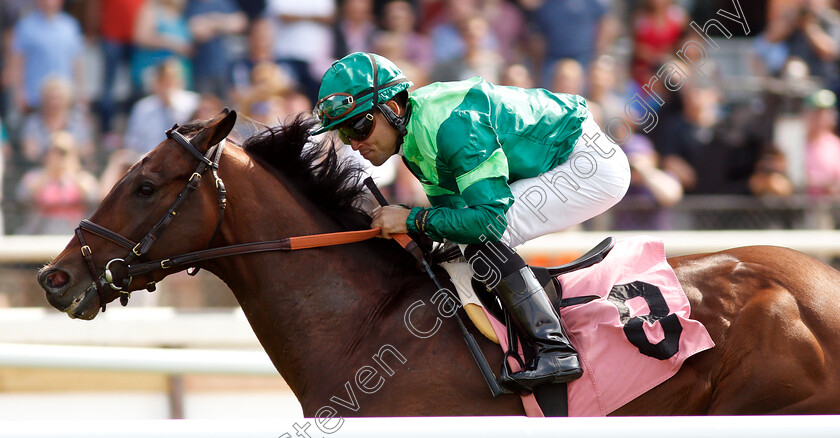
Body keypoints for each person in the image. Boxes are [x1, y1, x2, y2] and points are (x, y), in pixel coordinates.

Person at [313, 52, 630, 390]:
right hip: (560, 158)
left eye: (359, 125)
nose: (355, 142)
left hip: (588, 164)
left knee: (482, 237)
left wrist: (413, 219)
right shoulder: (414, 142)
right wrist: (420, 228)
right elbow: (451, 214)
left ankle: (555, 349)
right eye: (344, 134)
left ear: (392, 108)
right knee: (457, 246)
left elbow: (485, 223)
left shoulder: (451, 126)